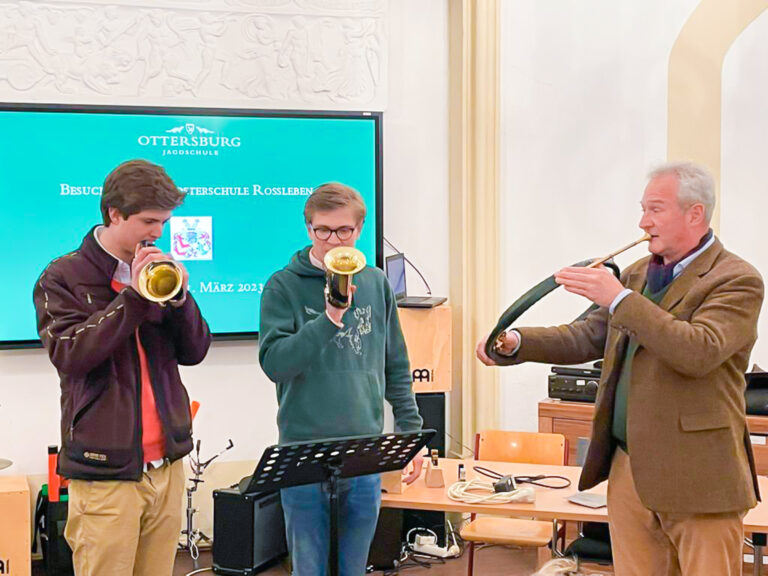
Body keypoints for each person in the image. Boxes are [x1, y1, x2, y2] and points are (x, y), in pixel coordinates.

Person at [477, 162, 763, 576]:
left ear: (695, 214)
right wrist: (515, 341)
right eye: (642, 209)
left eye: (655, 210)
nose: (643, 222)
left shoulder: (736, 279)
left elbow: (697, 351)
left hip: (701, 477)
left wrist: (620, 299)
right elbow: (588, 335)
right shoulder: (637, 274)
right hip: (630, 469)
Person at [33, 159, 212, 576]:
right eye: (149, 221)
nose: (158, 233)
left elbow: (196, 349)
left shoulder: (158, 271)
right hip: (104, 473)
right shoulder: (62, 277)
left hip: (166, 466)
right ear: (114, 213)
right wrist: (133, 297)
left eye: (164, 222)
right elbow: (71, 355)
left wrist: (180, 300)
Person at [259, 182, 425, 576]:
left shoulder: (375, 282)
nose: (333, 241)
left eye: (343, 231)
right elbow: (276, 365)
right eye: (323, 231)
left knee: (355, 567)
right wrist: (329, 319)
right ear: (308, 228)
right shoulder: (282, 286)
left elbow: (396, 366)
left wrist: (410, 436)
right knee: (309, 568)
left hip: (364, 451)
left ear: (359, 230)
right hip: (303, 450)